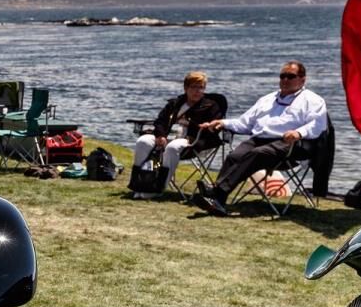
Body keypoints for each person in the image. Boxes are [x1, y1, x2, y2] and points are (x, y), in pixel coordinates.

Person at [192, 61, 328, 216]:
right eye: (282, 76)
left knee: (257, 153)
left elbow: (318, 125)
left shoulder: (313, 100)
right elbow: (245, 123)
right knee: (234, 156)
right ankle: (218, 202)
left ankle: (216, 191)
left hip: (290, 144)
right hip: (259, 140)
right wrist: (222, 123)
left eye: (290, 76)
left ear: (302, 79)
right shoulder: (267, 99)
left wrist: (299, 133)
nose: (285, 80)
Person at [130, 71, 221, 199]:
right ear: (186, 88)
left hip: (192, 141)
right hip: (167, 136)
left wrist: (201, 125)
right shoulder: (175, 103)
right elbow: (160, 121)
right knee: (143, 141)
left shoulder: (211, 106)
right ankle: (138, 185)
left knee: (172, 147)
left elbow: (214, 128)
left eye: (201, 87)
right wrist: (160, 136)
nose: (197, 91)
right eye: (193, 87)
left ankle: (157, 189)